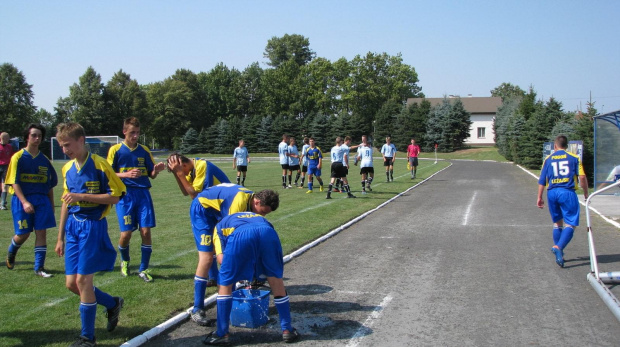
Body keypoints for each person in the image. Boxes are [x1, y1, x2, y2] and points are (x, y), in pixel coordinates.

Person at [54, 122, 127, 346]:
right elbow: (67, 202)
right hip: (73, 227)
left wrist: (82, 197)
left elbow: (115, 196)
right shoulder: (67, 169)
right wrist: (60, 237)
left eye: (68, 145)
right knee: (71, 284)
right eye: (62, 146)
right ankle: (112, 303)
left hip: (92, 226)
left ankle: (87, 338)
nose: (65, 150)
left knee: (83, 280)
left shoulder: (99, 165)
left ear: (81, 140)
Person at [187, 184, 279, 327]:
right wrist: (220, 254)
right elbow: (223, 233)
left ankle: (231, 294)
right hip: (203, 212)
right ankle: (197, 308)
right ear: (257, 202)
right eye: (262, 212)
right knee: (207, 256)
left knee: (229, 258)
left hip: (216, 212)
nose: (261, 216)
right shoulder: (238, 204)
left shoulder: (252, 200)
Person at [203, 211, 299, 345]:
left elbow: (221, 260)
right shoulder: (257, 217)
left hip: (241, 235)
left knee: (225, 282)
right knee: (275, 279)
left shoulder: (218, 227)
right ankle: (287, 330)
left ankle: (222, 332)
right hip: (268, 232)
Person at [107, 117, 166, 282]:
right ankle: (125, 260)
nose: (135, 136)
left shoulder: (144, 150)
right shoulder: (116, 150)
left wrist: (157, 170)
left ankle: (144, 269)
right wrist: (126, 174)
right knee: (126, 234)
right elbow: (107, 175)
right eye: (132, 132)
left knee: (146, 231)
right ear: (124, 131)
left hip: (143, 195)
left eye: (138, 133)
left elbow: (151, 174)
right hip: (125, 196)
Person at [167, 154, 231, 300]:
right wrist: (178, 175)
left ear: (182, 165)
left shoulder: (202, 166)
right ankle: (214, 278)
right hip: (212, 207)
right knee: (211, 245)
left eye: (178, 170)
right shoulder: (190, 170)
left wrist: (179, 174)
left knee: (223, 245)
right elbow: (185, 191)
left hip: (224, 206)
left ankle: (238, 278)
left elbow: (195, 195)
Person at [5, 124, 57, 277]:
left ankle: (39, 268)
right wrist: (24, 202)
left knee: (41, 232)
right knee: (24, 233)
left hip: (41, 200)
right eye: (33, 135)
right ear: (26, 137)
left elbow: (49, 184)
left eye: (39, 136)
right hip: (22, 199)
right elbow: (14, 182)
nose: (37, 138)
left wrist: (51, 204)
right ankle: (12, 251)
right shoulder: (18, 157)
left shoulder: (44, 160)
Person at [537, 135, 589, 268]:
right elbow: (582, 176)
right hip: (567, 192)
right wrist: (586, 192)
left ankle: (560, 253)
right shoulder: (574, 157)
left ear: (555, 146)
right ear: (567, 145)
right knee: (571, 223)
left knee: (557, 223)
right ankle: (559, 247)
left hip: (552, 192)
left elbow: (542, 180)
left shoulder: (548, 159)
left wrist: (539, 197)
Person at [0, 131, 15, 210]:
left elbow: (12, 156)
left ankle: (3, 203)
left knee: (5, 185)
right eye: (7, 137)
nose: (9, 139)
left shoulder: (9, 147)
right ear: (3, 138)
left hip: (6, 167)